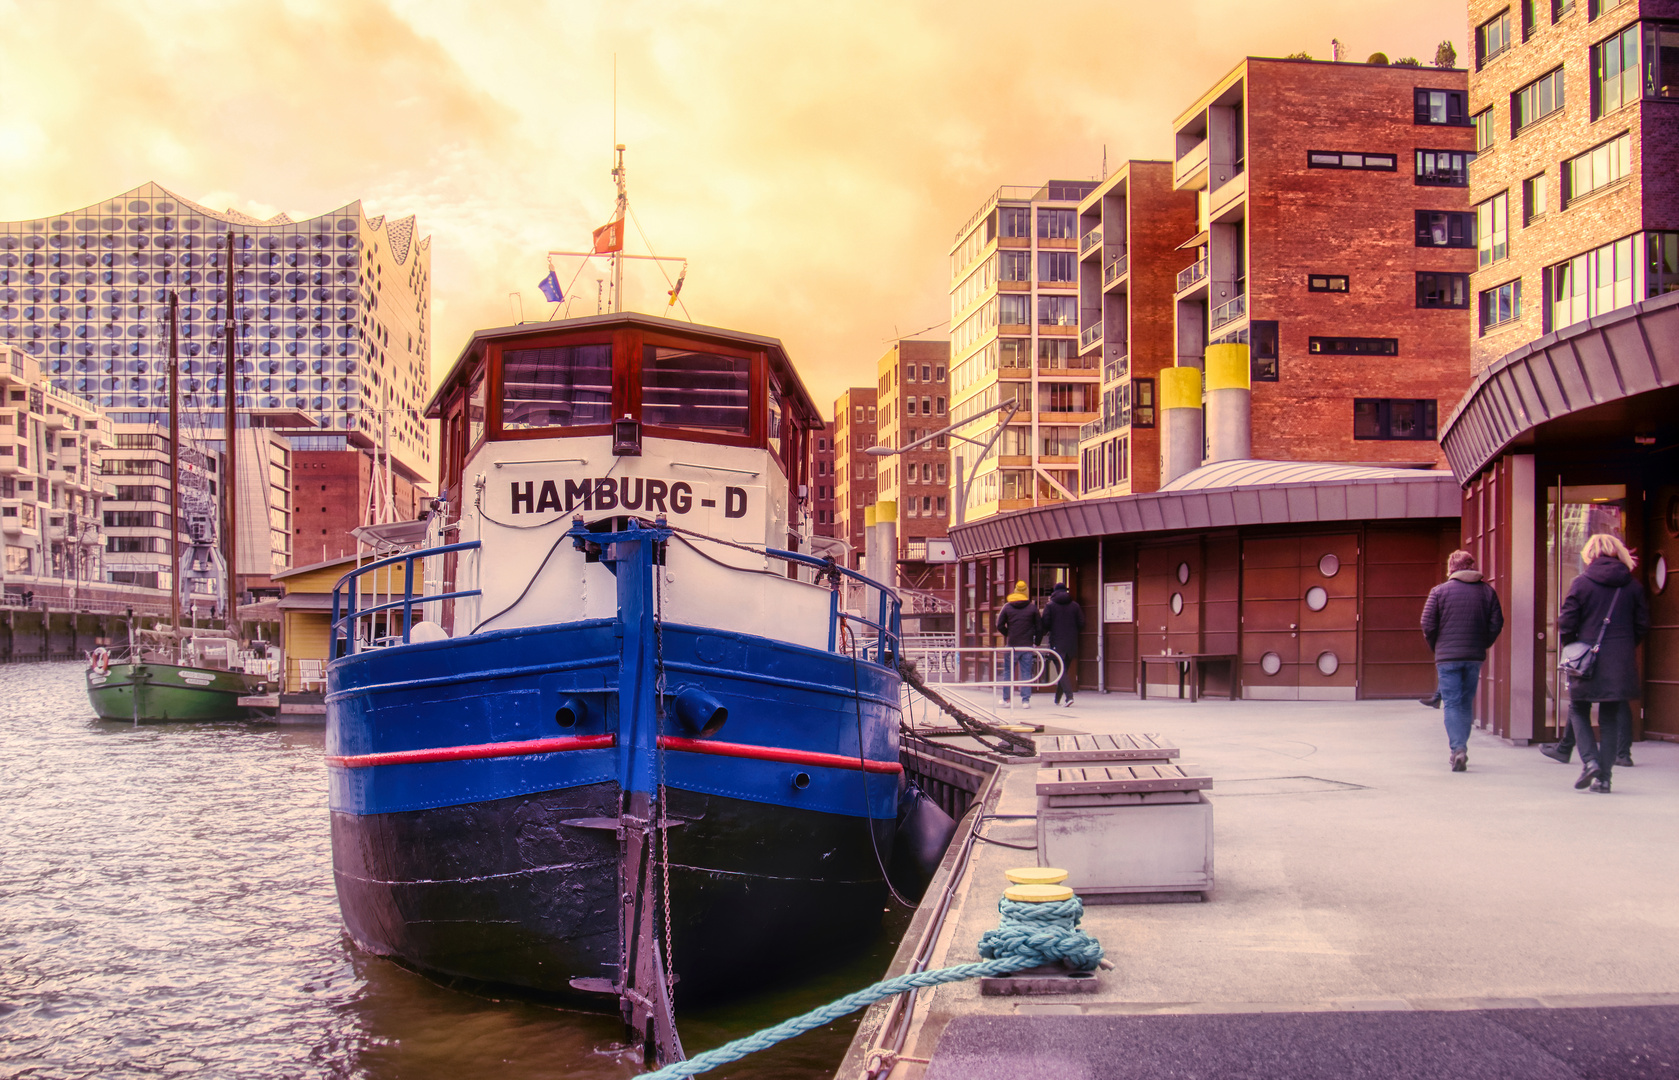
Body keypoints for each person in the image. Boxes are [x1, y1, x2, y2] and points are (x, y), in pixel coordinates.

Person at [1556, 533, 1649, 794]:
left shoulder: (1582, 583)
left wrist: (1573, 646)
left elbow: (1566, 622)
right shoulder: (1632, 586)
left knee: (1578, 709)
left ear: (1589, 555)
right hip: (1619, 661)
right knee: (1609, 717)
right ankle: (1604, 779)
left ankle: (1591, 761)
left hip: (1585, 660)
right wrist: (1625, 648)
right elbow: (1642, 624)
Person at [1420, 549, 1504, 772]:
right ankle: (1460, 748)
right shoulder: (1487, 592)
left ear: (1451, 568)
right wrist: (1482, 643)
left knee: (1452, 703)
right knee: (1465, 703)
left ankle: (1458, 749)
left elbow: (1427, 623)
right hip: (1473, 656)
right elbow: (1497, 622)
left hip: (1447, 658)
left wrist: (1437, 647)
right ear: (1471, 565)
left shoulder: (1439, 592)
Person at [1038, 582, 1086, 707]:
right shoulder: (1075, 606)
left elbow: (1046, 624)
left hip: (1056, 642)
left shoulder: (1050, 606)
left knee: (1060, 670)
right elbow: (1081, 622)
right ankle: (1057, 698)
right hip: (1071, 642)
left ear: (1054, 592)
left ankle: (1069, 697)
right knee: (1063, 670)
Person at [994, 580, 1039, 710]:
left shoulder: (1007, 607)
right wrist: (1036, 641)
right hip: (1027, 646)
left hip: (1012, 645)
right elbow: (1039, 626)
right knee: (1026, 673)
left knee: (1008, 672)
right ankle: (1026, 701)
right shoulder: (1032, 607)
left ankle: (1006, 699)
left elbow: (999, 625)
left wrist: (1008, 634)